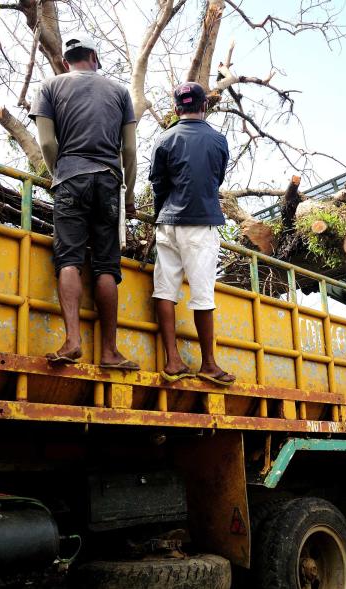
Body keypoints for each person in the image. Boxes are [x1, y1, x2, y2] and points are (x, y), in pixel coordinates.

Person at [29, 31, 139, 370]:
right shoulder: (120, 92)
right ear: (95, 58)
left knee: (69, 260)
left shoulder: (49, 87)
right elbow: (130, 150)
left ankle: (73, 340)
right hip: (109, 181)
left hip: (70, 178)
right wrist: (130, 195)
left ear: (66, 62)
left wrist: (58, 173)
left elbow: (47, 145)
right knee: (107, 266)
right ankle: (109, 352)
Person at [148, 82, 234, 386]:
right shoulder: (218, 140)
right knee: (202, 294)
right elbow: (216, 178)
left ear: (176, 109)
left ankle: (172, 361)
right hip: (201, 222)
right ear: (204, 107)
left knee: (165, 289)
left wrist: (161, 215)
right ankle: (208, 364)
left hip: (168, 222)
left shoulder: (164, 139)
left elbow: (158, 185)